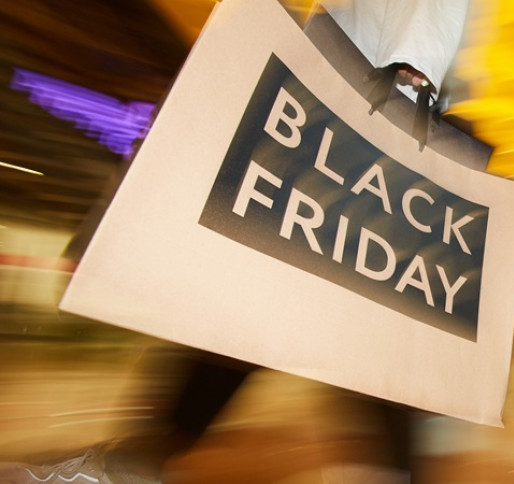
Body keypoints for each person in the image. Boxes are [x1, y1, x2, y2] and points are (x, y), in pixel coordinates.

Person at [0, 1, 470, 483]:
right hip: (351, 118)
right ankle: (138, 462)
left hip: (359, 123)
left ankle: (135, 464)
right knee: (316, 320)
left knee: (269, 301)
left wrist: (412, 73)